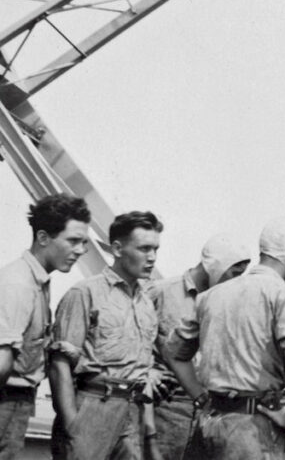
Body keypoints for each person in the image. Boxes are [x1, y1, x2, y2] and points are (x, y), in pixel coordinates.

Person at [165, 217, 285, 460]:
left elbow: (174, 352)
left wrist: (200, 396)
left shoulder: (210, 296)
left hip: (207, 426)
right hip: (253, 432)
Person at [49, 211, 163, 460]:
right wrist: (73, 424)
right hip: (93, 404)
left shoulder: (146, 302)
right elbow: (59, 365)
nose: (152, 257)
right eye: (144, 248)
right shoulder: (85, 293)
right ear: (118, 248)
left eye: (155, 249)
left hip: (132, 410)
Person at [0, 194, 90, 460]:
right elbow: (2, 360)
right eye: (73, 241)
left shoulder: (37, 281)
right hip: (6, 400)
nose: (81, 250)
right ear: (43, 238)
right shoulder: (19, 284)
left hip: (16, 401)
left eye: (84, 242)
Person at [146, 233, 250, 460]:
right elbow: (131, 338)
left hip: (205, 411)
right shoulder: (161, 292)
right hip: (164, 408)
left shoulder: (224, 302)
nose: (236, 281)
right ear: (216, 265)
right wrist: (146, 370)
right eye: (235, 272)